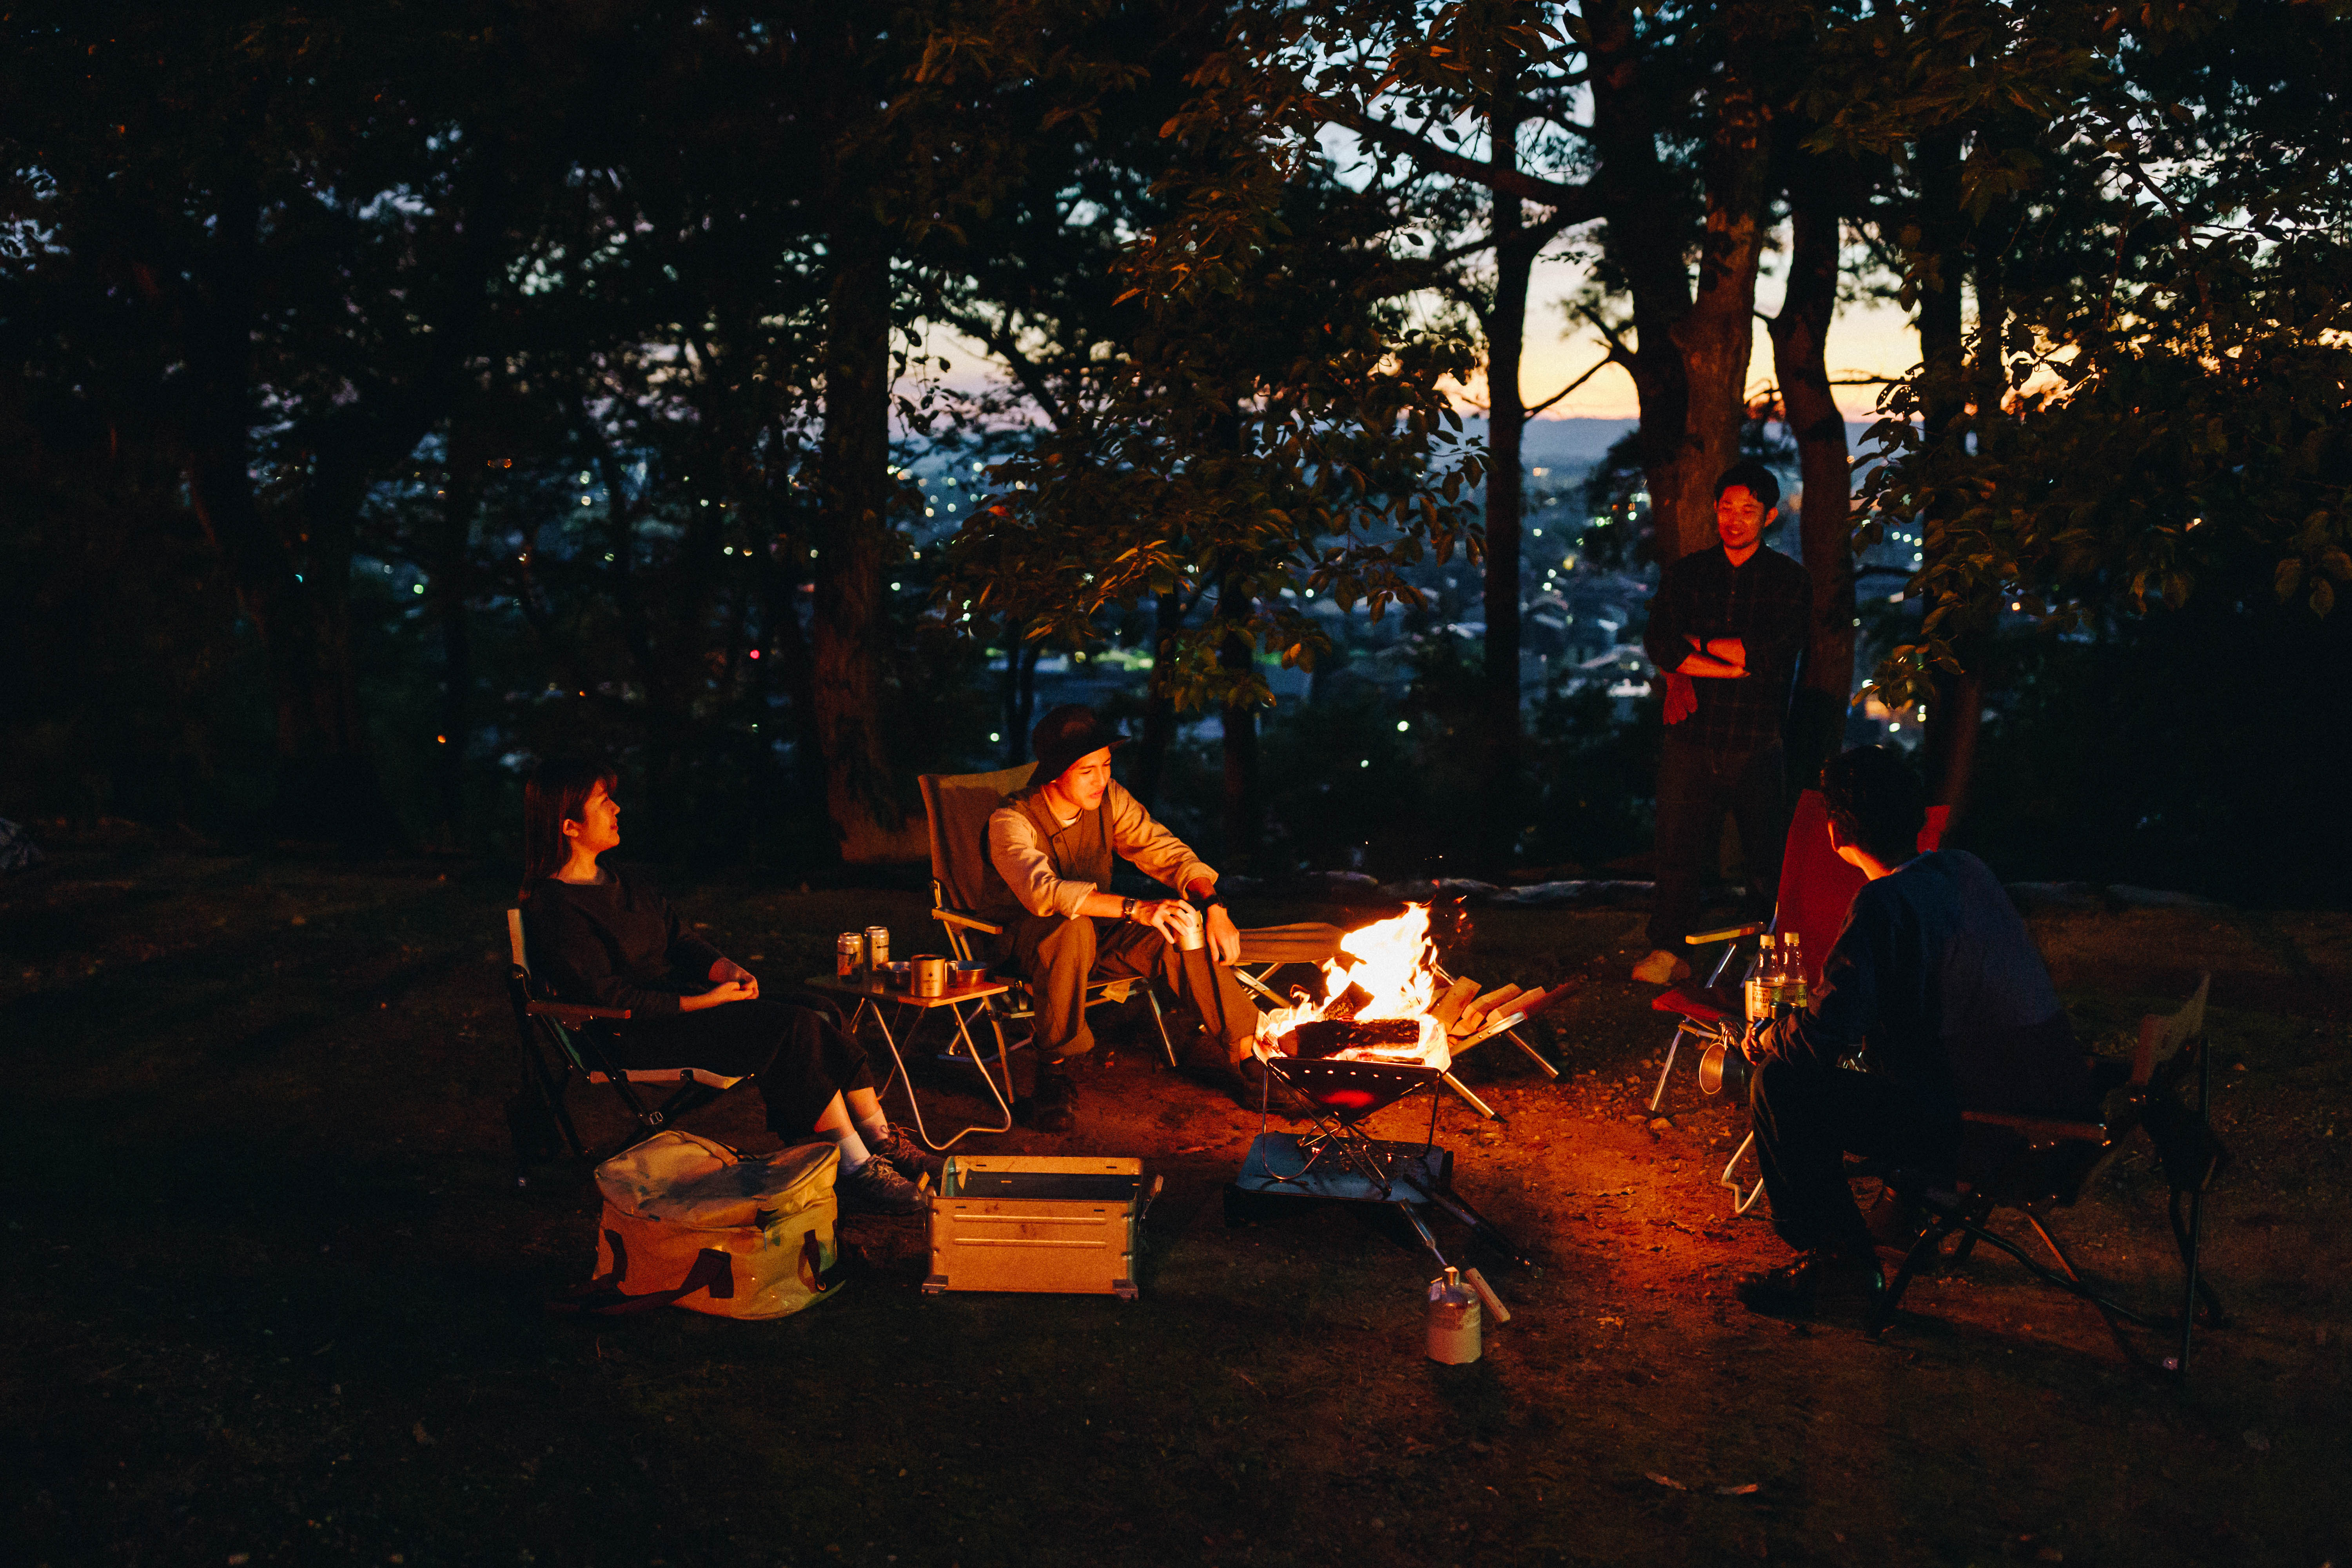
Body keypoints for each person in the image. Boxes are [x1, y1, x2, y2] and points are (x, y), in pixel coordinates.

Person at [1731, 746, 2096, 1315]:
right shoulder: (1965, 869)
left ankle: (1841, 1266)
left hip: (1993, 1130)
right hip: (2056, 1100)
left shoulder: (1885, 902)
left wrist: (1767, 1039)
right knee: (1884, 1045)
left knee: (1781, 1083)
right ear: (1919, 821)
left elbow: (1826, 1034)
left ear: (1833, 836)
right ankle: (1909, 1203)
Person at [518, 760, 935, 1215]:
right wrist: (705, 1001)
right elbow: (609, 998)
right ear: (568, 826)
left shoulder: (624, 879)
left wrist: (725, 970)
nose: (617, 807)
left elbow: (680, 939)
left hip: (687, 1008)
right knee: (791, 1028)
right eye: (603, 801)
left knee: (819, 1010)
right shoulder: (555, 906)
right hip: (631, 1034)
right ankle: (856, 1168)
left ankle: (879, 1140)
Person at [982, 704, 1262, 1130]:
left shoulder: (1110, 800)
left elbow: (1164, 851)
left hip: (1102, 936)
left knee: (1171, 932)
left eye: (1107, 765)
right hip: (1030, 945)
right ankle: (1052, 1073)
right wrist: (1137, 908)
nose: (1102, 780)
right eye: (1087, 770)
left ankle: (1249, 1059)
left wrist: (1213, 905)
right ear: (1056, 772)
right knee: (1072, 926)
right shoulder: (1012, 820)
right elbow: (1045, 892)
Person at [1632, 461, 1812, 985]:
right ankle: (1669, 949)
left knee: (1768, 857)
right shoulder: (1688, 575)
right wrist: (1730, 663)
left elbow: (1771, 656)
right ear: (1715, 510)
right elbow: (1661, 644)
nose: (1735, 520)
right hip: (1691, 735)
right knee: (1677, 848)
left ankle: (1774, 957)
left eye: (1748, 511)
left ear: (1769, 517)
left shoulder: (1788, 582)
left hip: (1756, 738)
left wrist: (1699, 645)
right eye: (1727, 508)